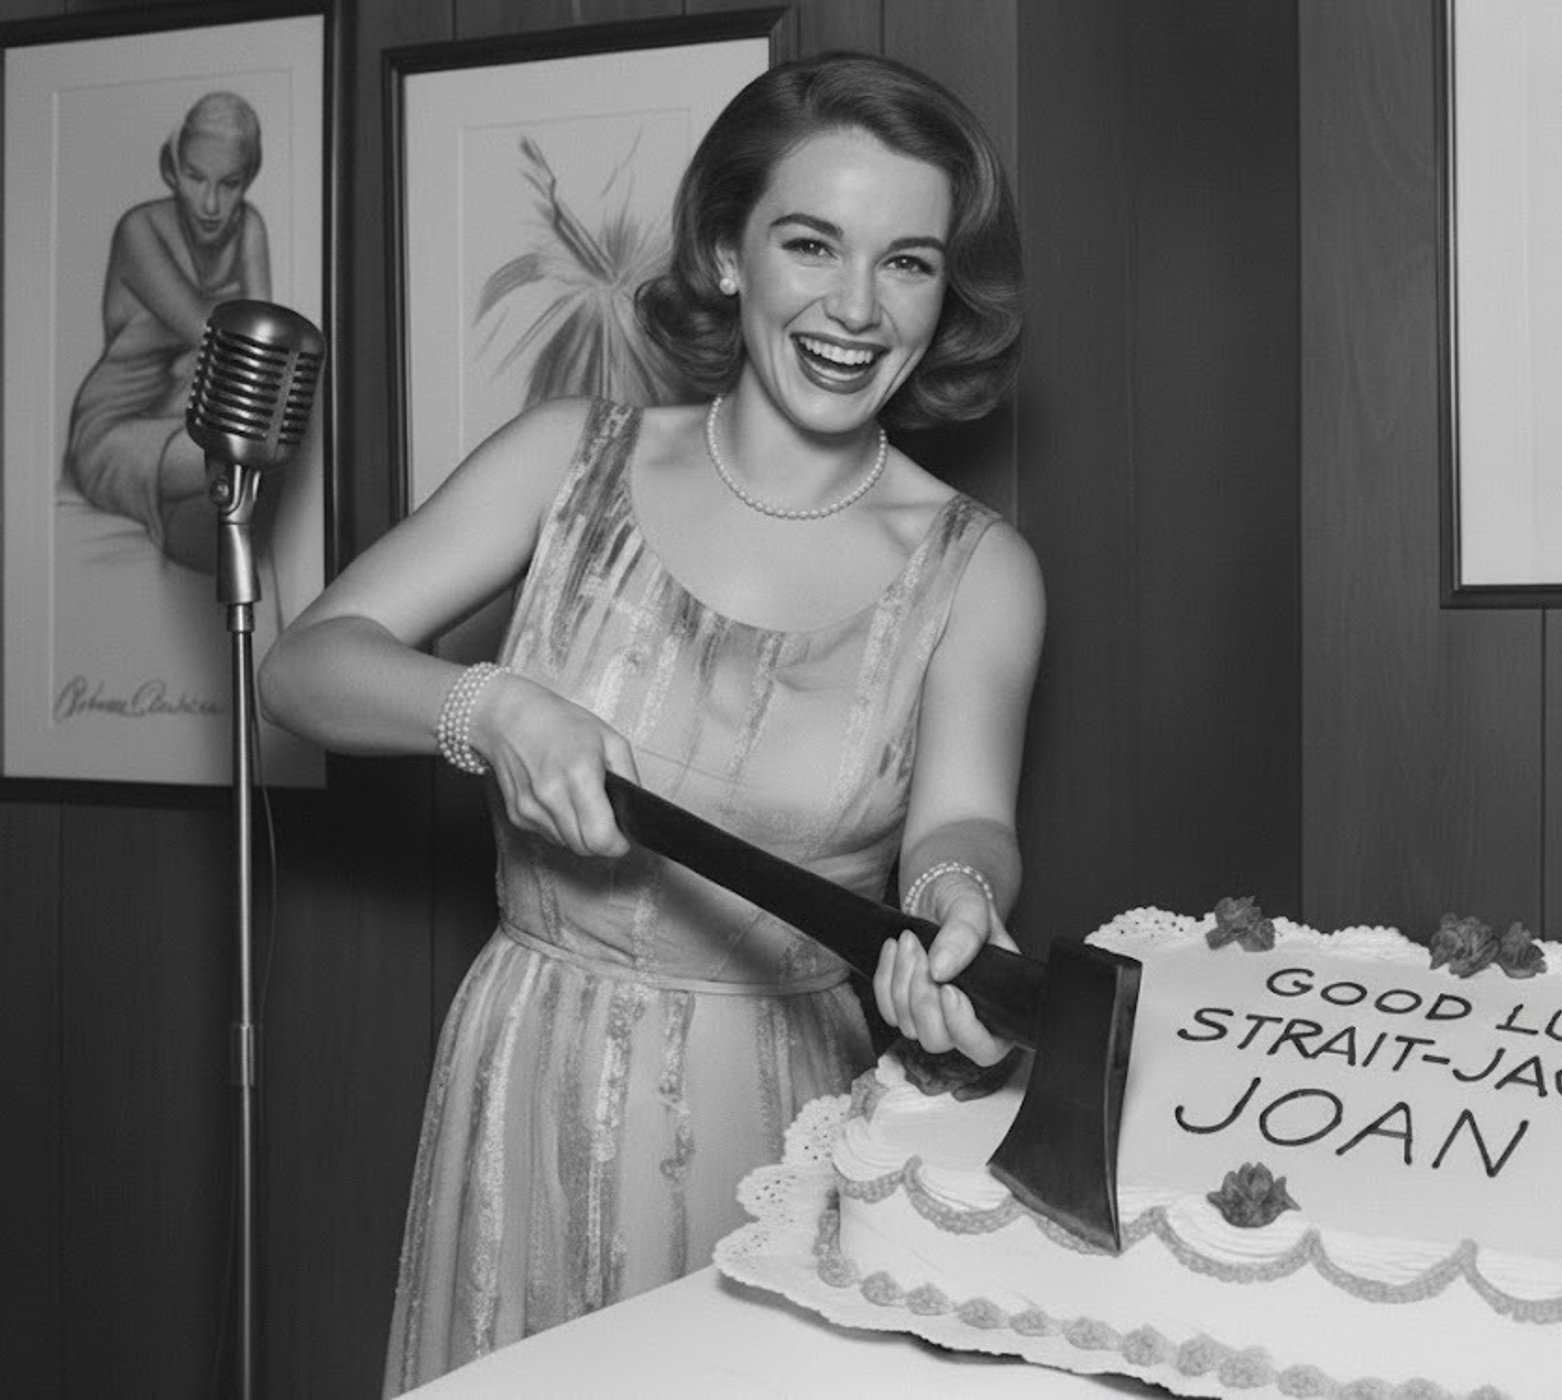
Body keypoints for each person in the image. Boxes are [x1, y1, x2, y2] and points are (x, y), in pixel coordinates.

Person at [257, 52, 1038, 1392]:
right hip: (527, 1073)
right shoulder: (566, 460)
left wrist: (957, 901)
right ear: (729, 253)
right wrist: (487, 705)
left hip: (785, 1115)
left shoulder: (981, 566)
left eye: (907, 262)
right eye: (811, 244)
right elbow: (306, 668)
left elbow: (963, 820)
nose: (857, 308)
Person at [64, 91, 271, 573]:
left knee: (248, 457)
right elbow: (215, 335)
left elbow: (261, 350)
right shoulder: (139, 230)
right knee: (241, 448)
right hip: (121, 425)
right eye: (196, 177)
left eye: (231, 183)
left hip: (199, 411)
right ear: (171, 169)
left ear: (248, 181)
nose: (211, 203)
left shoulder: (249, 228)